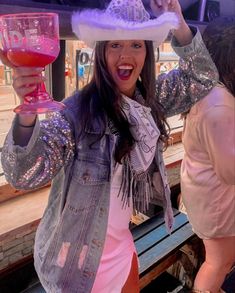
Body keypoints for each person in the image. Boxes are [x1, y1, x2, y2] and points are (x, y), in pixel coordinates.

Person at [0, 0, 218, 292]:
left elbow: (201, 77)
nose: (125, 55)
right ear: (101, 52)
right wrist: (27, 112)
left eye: (136, 45)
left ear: (147, 53)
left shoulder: (148, 102)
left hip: (121, 250)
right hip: (76, 266)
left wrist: (177, 20)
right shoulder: (75, 114)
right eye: (114, 44)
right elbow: (24, 174)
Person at [180, 16, 235, 293]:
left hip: (204, 193)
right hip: (217, 201)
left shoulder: (210, 91)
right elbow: (230, 170)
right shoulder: (219, 103)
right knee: (218, 263)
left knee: (219, 261)